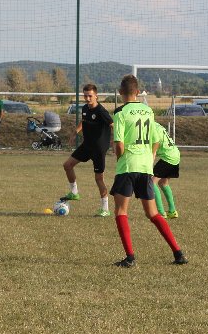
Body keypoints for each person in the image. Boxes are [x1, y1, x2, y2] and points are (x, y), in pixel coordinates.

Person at [109, 74, 187, 267]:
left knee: (120, 211)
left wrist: (120, 159)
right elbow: (155, 139)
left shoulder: (120, 113)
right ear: (138, 92)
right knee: (153, 213)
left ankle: (130, 258)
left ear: (120, 92)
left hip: (128, 166)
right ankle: (178, 253)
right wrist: (149, 158)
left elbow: (119, 144)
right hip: (145, 166)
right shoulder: (148, 111)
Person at [60, 84, 114, 217]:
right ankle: (74, 192)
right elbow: (84, 121)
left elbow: (113, 125)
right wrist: (75, 132)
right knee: (67, 165)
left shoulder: (101, 111)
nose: (87, 98)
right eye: (85, 96)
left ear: (96, 96)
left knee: (98, 179)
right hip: (87, 146)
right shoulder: (85, 108)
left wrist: (115, 141)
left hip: (98, 149)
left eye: (90, 96)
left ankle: (105, 209)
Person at [152, 121, 181, 218]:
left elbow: (155, 146)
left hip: (167, 157)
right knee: (163, 183)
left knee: (151, 183)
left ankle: (161, 212)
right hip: (175, 154)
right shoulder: (157, 125)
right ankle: (172, 211)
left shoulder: (150, 127)